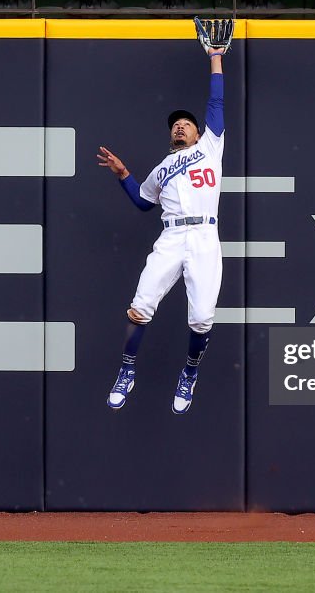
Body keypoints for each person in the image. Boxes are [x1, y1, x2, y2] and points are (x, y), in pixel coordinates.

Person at [97, 44, 227, 414]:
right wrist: (124, 175)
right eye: (175, 124)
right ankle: (127, 370)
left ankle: (189, 373)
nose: (180, 126)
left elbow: (216, 104)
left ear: (199, 133)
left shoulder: (211, 147)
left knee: (202, 318)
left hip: (203, 236)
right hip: (171, 237)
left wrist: (215, 57)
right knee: (139, 308)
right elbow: (142, 202)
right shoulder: (159, 170)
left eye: (186, 123)